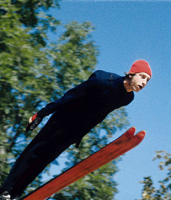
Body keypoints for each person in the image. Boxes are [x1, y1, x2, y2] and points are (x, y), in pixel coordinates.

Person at [0, 60, 152, 200]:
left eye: (147, 80)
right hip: (63, 119)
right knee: (33, 152)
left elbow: (100, 115)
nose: (144, 82)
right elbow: (70, 96)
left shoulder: (127, 98)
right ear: (131, 73)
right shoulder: (103, 80)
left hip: (74, 130)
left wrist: (80, 135)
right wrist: (42, 113)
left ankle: (15, 194)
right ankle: (5, 189)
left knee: (43, 161)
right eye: (142, 76)